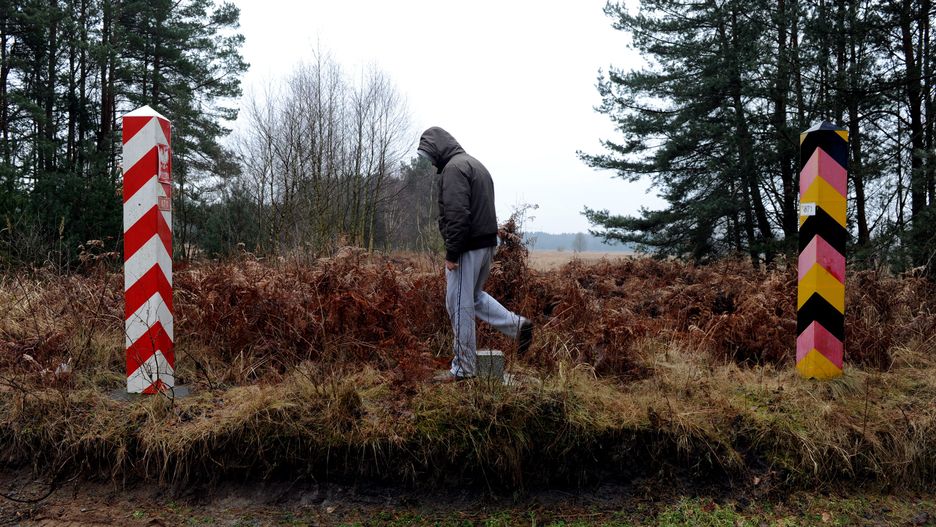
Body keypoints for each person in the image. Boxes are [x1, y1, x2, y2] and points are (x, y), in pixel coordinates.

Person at [417, 126, 533, 382]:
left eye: (429, 154)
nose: (429, 160)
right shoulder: (475, 164)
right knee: (473, 297)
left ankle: (463, 369)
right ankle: (518, 326)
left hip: (467, 248)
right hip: (486, 244)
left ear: (437, 148)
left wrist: (452, 252)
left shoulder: (454, 169)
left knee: (459, 305)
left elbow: (458, 214)